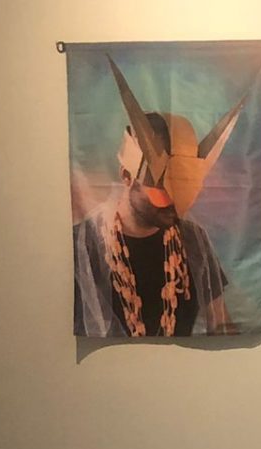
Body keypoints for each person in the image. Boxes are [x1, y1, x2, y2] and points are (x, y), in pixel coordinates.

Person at [72, 57, 245, 337]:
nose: (177, 203)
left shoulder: (192, 240)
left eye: (185, 186)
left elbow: (220, 322)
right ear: (126, 176)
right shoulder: (83, 244)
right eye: (163, 188)